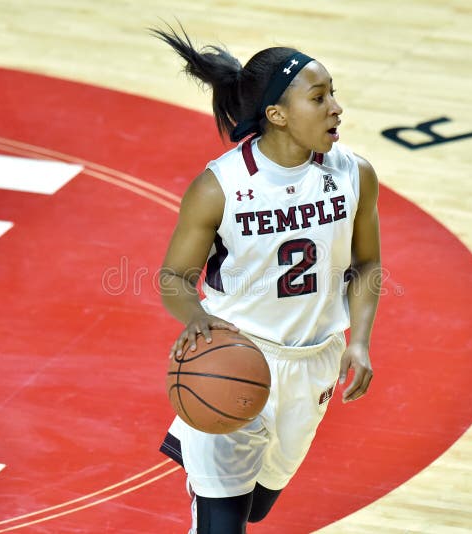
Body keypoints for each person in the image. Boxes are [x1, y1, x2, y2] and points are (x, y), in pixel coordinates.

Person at [151, 23, 382, 534]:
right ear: (276, 115)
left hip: (314, 362)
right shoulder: (221, 186)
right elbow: (173, 277)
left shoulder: (353, 174)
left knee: (256, 505)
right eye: (319, 98)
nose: (336, 108)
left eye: (333, 95)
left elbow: (366, 264)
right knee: (222, 519)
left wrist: (359, 341)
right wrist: (196, 319)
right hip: (234, 354)